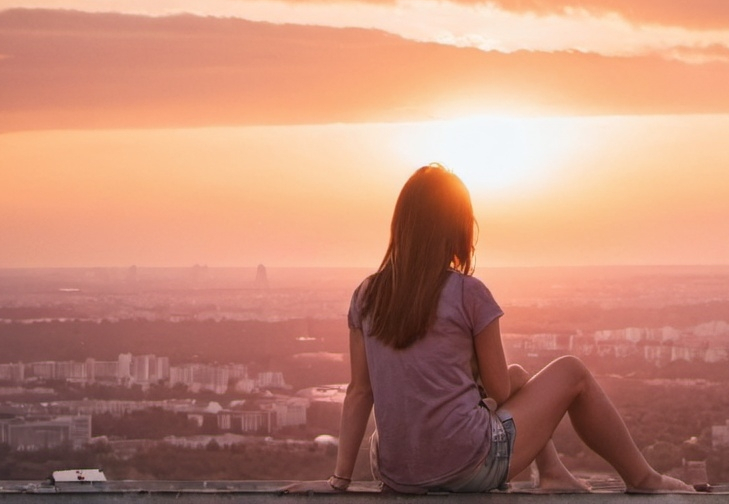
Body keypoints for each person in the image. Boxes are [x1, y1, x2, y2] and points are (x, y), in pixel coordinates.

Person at [286, 164, 693, 494]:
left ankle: (552, 474)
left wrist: (338, 480)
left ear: (402, 226)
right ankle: (644, 479)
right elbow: (499, 391)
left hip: (396, 473)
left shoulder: (367, 295)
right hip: (468, 467)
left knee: (519, 378)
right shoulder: (469, 293)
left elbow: (360, 391)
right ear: (457, 227)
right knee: (571, 372)